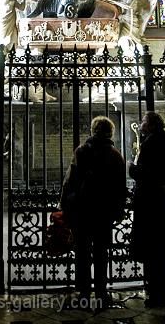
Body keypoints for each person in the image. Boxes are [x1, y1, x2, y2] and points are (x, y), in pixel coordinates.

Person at [60, 116, 126, 309]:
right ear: (110, 132)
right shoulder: (115, 154)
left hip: (83, 208)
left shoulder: (82, 151)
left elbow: (70, 180)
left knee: (82, 250)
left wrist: (63, 205)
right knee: (101, 251)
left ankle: (83, 290)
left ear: (93, 130)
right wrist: (119, 209)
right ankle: (101, 290)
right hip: (104, 210)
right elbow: (120, 186)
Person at [129, 111, 165, 307]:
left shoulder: (151, 144)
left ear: (151, 125)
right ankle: (160, 292)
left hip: (150, 200)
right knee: (157, 247)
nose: (140, 124)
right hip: (159, 198)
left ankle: (157, 294)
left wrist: (131, 168)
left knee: (151, 247)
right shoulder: (164, 143)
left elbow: (146, 173)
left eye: (143, 122)